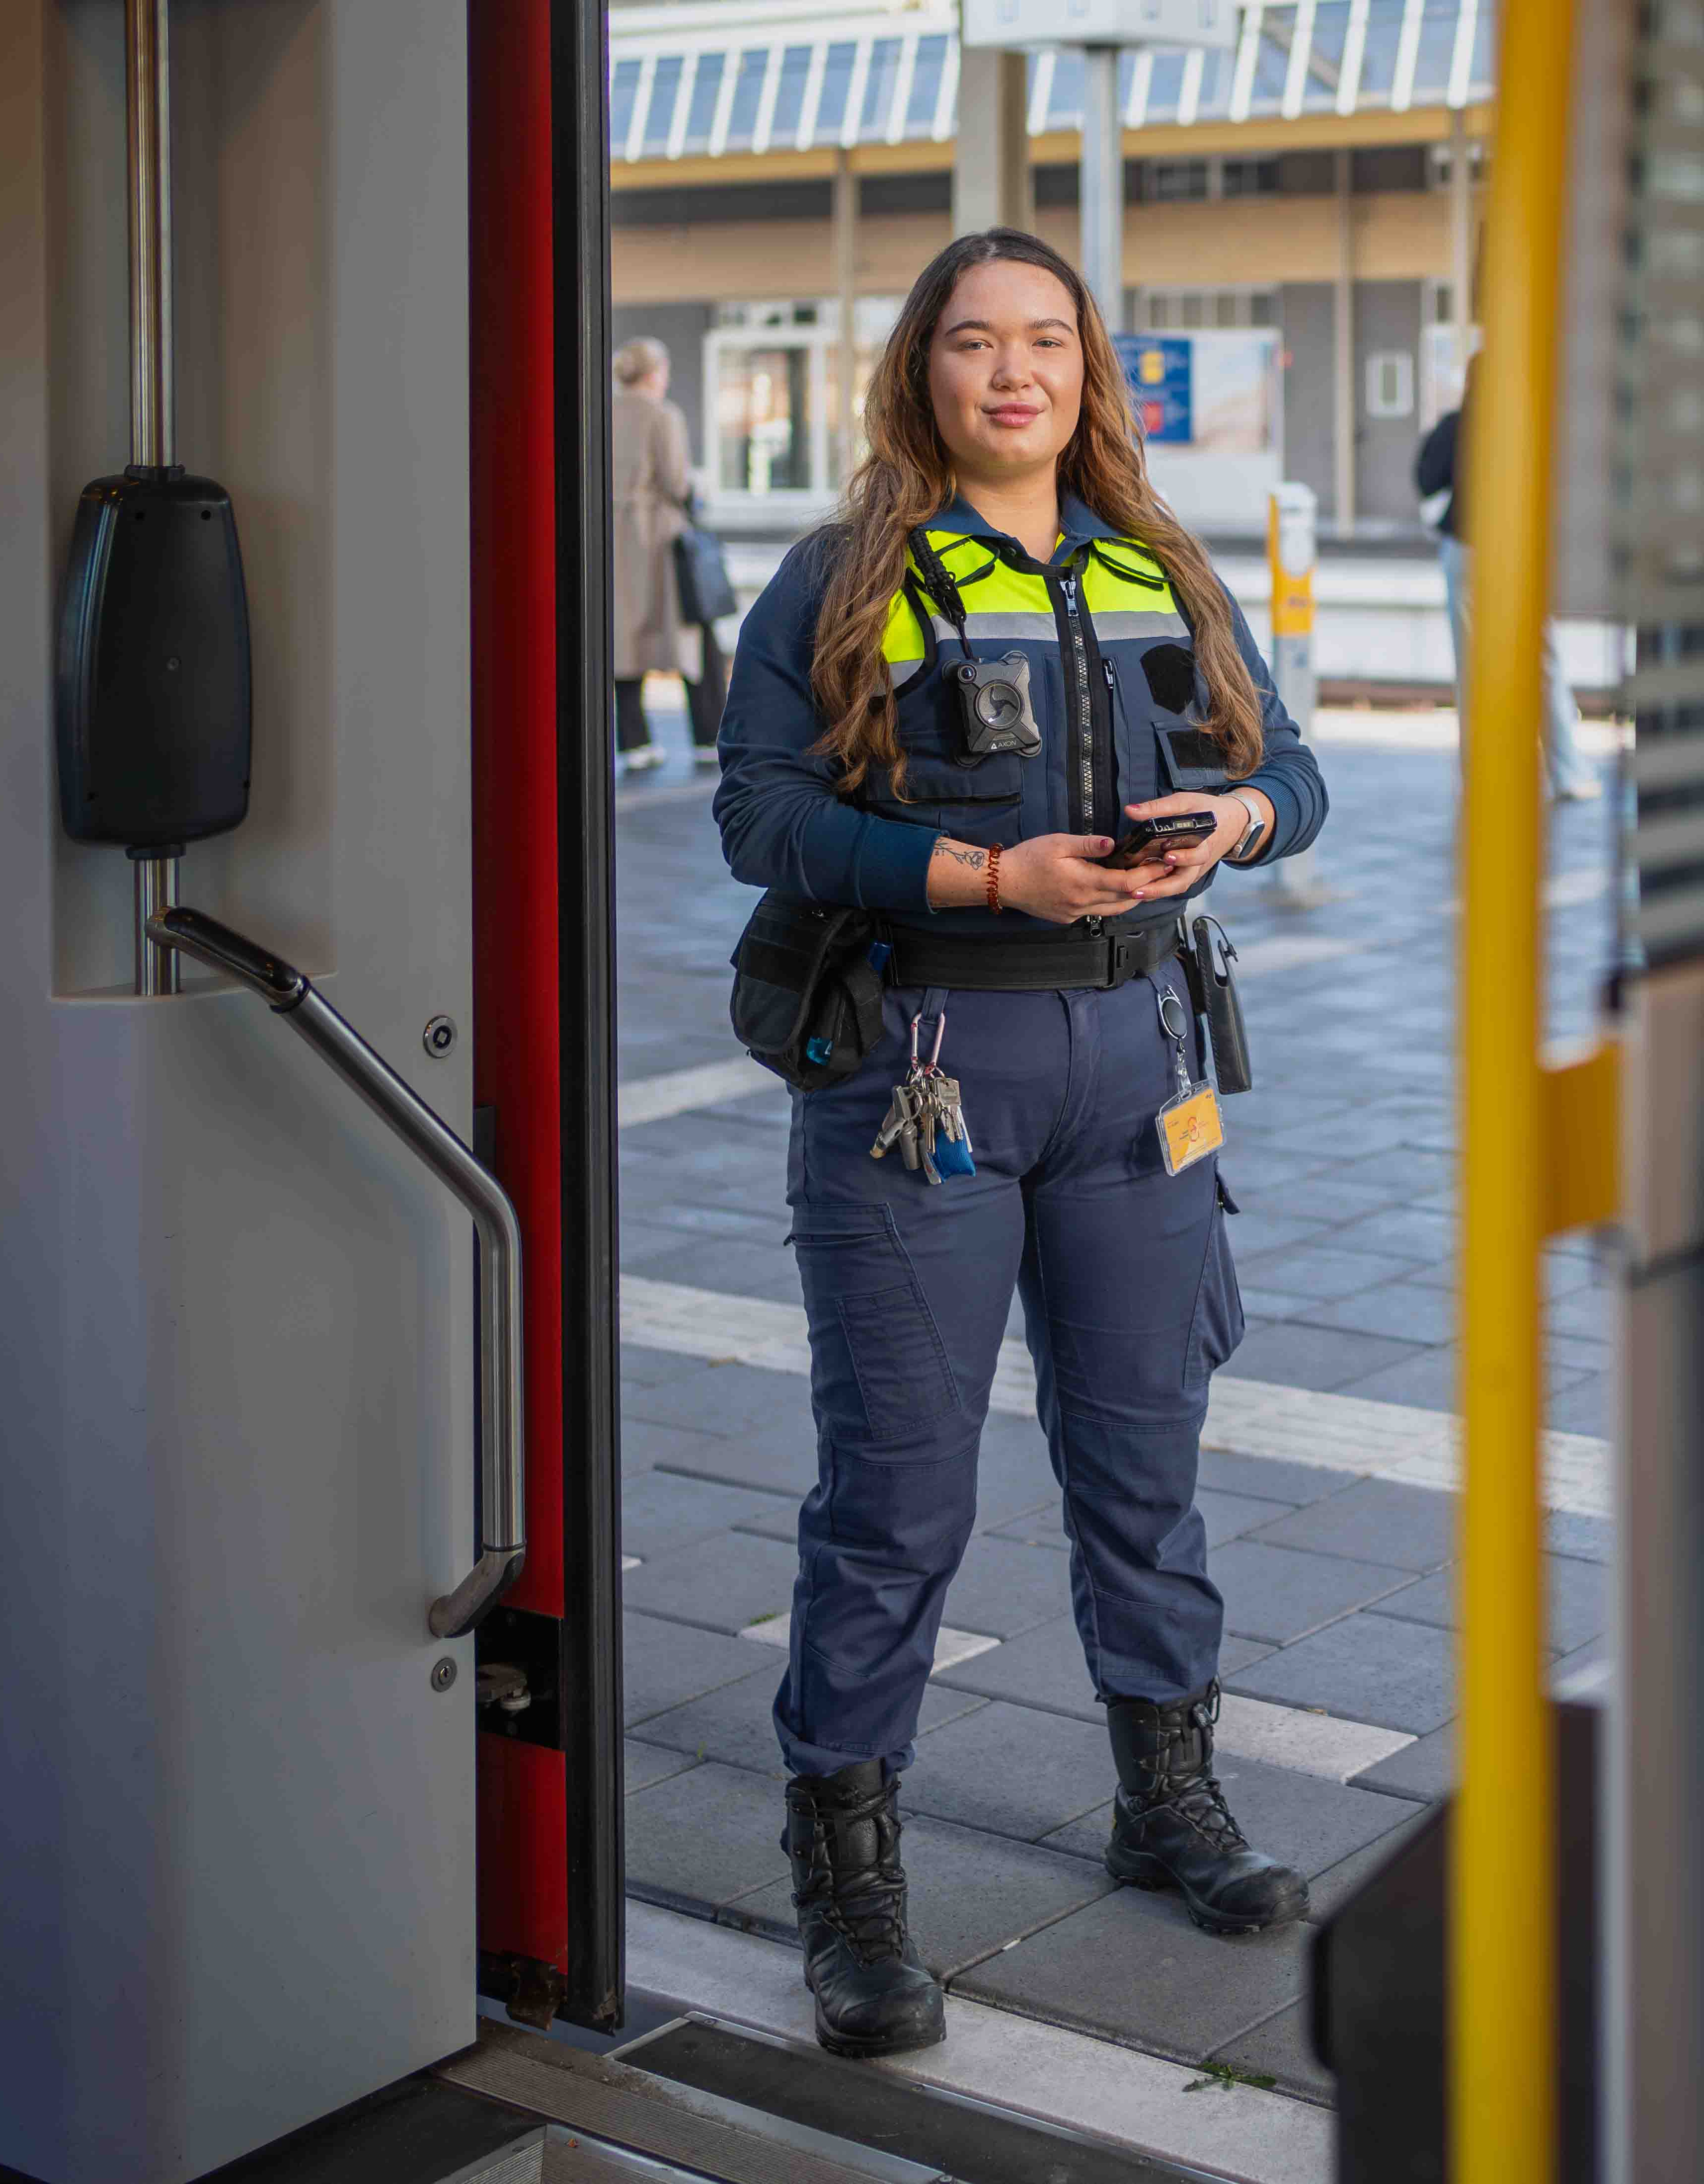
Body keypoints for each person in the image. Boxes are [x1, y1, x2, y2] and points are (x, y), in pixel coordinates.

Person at [711, 228, 1329, 2060]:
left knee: (1146, 1457)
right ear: (922, 372)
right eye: (974, 343)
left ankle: (1167, 1801)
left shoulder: (1165, 566)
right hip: (924, 1062)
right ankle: (852, 1881)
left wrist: (1228, 817)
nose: (1013, 373)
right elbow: (758, 813)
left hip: (1141, 1058)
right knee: (898, 1497)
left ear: (1089, 369)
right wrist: (982, 869)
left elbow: (1293, 773)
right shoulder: (839, 581)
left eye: (1045, 341)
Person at [1415, 397, 1597, 801]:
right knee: (1543, 660)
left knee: (1472, 668)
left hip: (1466, 550)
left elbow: (1428, 479)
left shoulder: (1458, 421)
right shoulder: (1531, 418)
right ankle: (1568, 772)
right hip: (1518, 551)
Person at [610, 336, 697, 773]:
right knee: (687, 635)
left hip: (610, 536)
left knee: (622, 640)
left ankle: (634, 742)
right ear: (654, 373)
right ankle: (707, 738)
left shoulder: (600, 408)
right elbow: (677, 482)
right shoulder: (663, 415)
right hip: (656, 538)